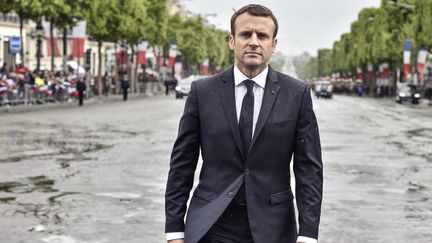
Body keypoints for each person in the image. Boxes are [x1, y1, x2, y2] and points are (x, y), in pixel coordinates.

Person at [165, 4, 323, 243]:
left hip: (273, 227)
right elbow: (182, 164)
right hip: (212, 224)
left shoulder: (297, 94)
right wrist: (175, 230)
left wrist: (308, 233)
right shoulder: (202, 91)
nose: (253, 42)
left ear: (274, 44)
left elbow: (309, 169)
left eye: (262, 36)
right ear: (232, 41)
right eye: (245, 34)